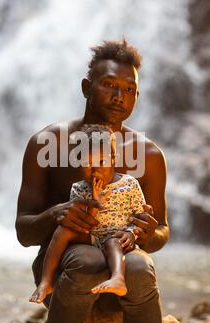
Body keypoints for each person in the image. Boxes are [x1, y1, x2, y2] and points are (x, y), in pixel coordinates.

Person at [15, 39, 170, 323]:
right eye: (109, 85)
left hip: (121, 274)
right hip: (63, 271)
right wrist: (56, 215)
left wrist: (147, 232)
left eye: (129, 90)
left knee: (142, 266)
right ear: (87, 87)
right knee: (87, 260)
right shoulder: (48, 143)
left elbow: (161, 232)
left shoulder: (149, 156)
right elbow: (23, 231)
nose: (119, 97)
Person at [29, 124, 146, 303]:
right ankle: (46, 281)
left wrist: (131, 233)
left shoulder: (129, 185)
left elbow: (140, 217)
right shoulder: (79, 188)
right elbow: (81, 221)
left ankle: (117, 278)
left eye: (101, 162)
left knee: (113, 241)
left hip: (118, 236)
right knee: (63, 230)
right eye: (87, 164)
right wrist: (94, 204)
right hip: (90, 235)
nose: (95, 170)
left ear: (114, 159)